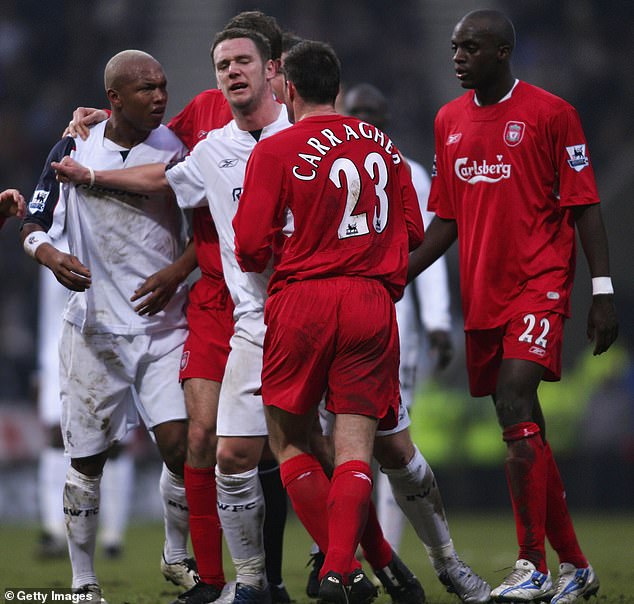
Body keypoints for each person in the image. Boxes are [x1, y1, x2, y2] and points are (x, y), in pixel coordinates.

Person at [65, 13, 294, 604]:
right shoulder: (201, 118)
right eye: (225, 64)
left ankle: (305, 567)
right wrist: (95, 123)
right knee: (203, 439)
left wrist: (174, 267)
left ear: (274, 66)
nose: (234, 73)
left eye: (247, 62)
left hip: (291, 294)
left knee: (289, 441)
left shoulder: (305, 119)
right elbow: (156, 150)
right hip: (215, 301)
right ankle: (211, 577)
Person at [408, 9, 618, 603]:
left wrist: (601, 290)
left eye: (470, 48)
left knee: (514, 395)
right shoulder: (448, 120)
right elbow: (445, 218)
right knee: (523, 426)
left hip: (540, 283)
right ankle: (575, 565)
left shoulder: (552, 114)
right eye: (453, 48)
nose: (457, 58)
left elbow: (586, 204)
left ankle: (531, 564)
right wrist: (397, 273)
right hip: (483, 292)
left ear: (502, 52)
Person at [232, 39, 425, 604]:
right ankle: (345, 569)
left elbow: (248, 246)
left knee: (289, 438)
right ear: (337, 88)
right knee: (354, 448)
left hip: (306, 300)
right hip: (372, 304)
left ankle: (350, 570)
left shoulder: (276, 149)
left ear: (286, 88)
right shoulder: (385, 147)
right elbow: (412, 231)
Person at [21, 50, 197, 604]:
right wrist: (47, 253)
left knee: (182, 448)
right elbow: (34, 219)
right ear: (114, 98)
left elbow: (205, 230)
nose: (160, 97)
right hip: (94, 331)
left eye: (164, 86)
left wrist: (178, 270)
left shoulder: (177, 149)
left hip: (163, 327)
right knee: (86, 460)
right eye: (146, 89)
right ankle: (82, 581)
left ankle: (175, 554)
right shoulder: (72, 146)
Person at [338, 82, 491, 603]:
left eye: (370, 112)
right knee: (338, 447)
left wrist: (440, 321)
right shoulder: (326, 162)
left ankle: (386, 554)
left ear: (386, 116)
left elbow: (426, 256)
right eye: (354, 110)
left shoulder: (409, 171)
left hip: (394, 326)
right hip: (336, 323)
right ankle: (345, 552)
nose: (362, 118)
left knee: (388, 446)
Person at [35, 220, 135, 561]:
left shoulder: (105, 223)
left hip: (109, 339)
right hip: (55, 350)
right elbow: (45, 311)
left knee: (113, 438)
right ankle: (53, 529)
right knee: (54, 434)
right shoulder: (46, 239)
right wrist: (40, 363)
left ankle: (113, 534)